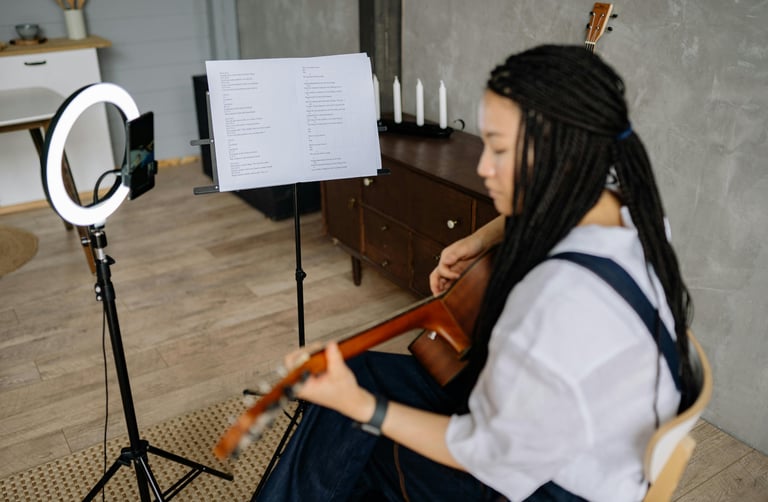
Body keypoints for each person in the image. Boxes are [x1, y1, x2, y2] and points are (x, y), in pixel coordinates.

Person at [255, 44, 695, 501]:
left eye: (499, 150)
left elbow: (491, 458)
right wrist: (479, 241)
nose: (483, 167)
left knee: (355, 440)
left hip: (553, 485)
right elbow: (541, 210)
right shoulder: (631, 211)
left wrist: (362, 407)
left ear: (562, 156)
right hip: (582, 438)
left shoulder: (554, 301)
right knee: (360, 370)